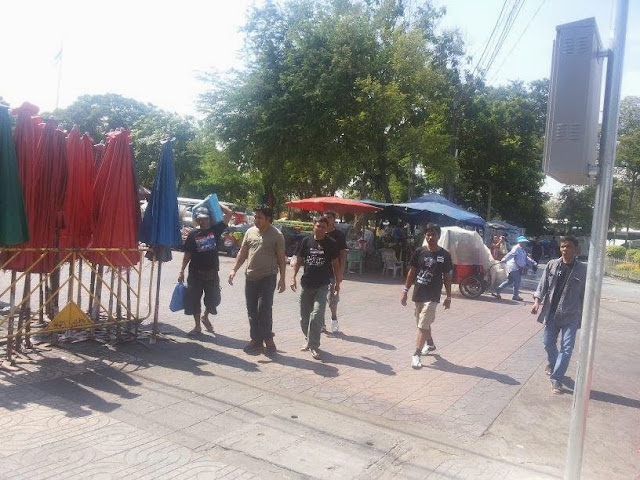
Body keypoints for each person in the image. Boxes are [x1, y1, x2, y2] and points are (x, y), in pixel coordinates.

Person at [531, 235, 586, 394]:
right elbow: (543, 285)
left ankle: (557, 379)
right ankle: (553, 363)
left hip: (571, 315)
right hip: (552, 313)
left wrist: (586, 315)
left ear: (576, 250)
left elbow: (587, 294)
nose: (565, 249)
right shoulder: (552, 264)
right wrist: (537, 302)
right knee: (547, 342)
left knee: (567, 349)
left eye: (568, 246)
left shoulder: (583, 270)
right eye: (563, 246)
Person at [228, 205, 287, 355]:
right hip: (250, 277)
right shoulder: (250, 232)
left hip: (268, 277)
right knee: (252, 311)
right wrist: (234, 270)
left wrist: (282, 279)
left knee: (264, 310)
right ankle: (256, 341)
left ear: (268, 219)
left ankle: (268, 340)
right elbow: (242, 253)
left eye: (260, 217)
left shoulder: (277, 235)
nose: (256, 220)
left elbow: (281, 259)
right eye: (255, 217)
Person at [401, 223, 453, 369]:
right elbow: (412, 272)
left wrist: (448, 297)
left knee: (423, 324)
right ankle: (430, 344)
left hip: (433, 295)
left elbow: (447, 277)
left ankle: (416, 354)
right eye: (428, 234)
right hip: (419, 293)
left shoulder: (444, 255)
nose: (431, 237)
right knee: (422, 323)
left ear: (439, 236)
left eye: (433, 234)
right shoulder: (419, 252)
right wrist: (405, 291)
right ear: (425, 235)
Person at [290, 216, 342, 360]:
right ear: (314, 226)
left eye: (323, 227)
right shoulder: (306, 241)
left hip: (322, 284)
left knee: (316, 315)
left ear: (327, 229)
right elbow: (299, 259)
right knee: (304, 317)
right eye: (318, 226)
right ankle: (308, 339)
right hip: (307, 284)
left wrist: (338, 282)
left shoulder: (331, 243)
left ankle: (314, 345)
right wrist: (293, 277)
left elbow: (336, 264)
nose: (320, 229)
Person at [179, 203, 233, 336]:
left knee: (214, 299)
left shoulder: (216, 230)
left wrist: (213, 201)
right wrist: (181, 271)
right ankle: (197, 326)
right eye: (200, 219)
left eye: (205, 218)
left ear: (209, 218)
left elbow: (229, 213)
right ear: (197, 219)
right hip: (195, 273)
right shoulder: (193, 234)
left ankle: (205, 316)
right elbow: (187, 254)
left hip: (212, 273)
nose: (202, 221)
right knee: (194, 300)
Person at [492, 235, 537, 301]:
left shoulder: (522, 250)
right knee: (517, 280)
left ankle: (498, 289)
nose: (524, 243)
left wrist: (533, 262)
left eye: (524, 242)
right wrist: (504, 259)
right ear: (519, 242)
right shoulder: (516, 248)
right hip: (513, 267)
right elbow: (511, 254)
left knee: (509, 281)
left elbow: (526, 258)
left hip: (516, 268)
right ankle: (515, 296)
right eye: (523, 242)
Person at [323, 210, 347, 333]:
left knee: (332, 297)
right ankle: (321, 323)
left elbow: (342, 255)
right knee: (320, 298)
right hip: (320, 271)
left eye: (329, 217)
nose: (327, 219)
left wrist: (340, 273)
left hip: (333, 271)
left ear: (334, 219)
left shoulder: (339, 235)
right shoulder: (320, 233)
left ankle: (334, 318)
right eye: (325, 217)